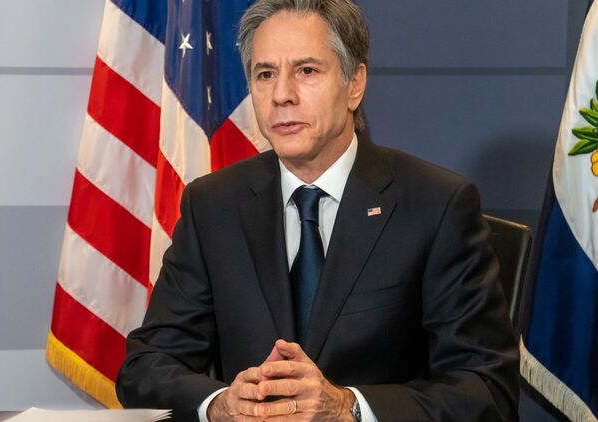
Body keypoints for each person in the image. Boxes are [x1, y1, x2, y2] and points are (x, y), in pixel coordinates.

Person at [116, 0, 519, 420]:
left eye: (306, 71)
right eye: (265, 74)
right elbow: (146, 366)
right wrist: (219, 405)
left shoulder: (435, 205)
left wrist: (348, 408)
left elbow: (486, 389)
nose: (282, 95)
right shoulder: (212, 205)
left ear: (354, 84)